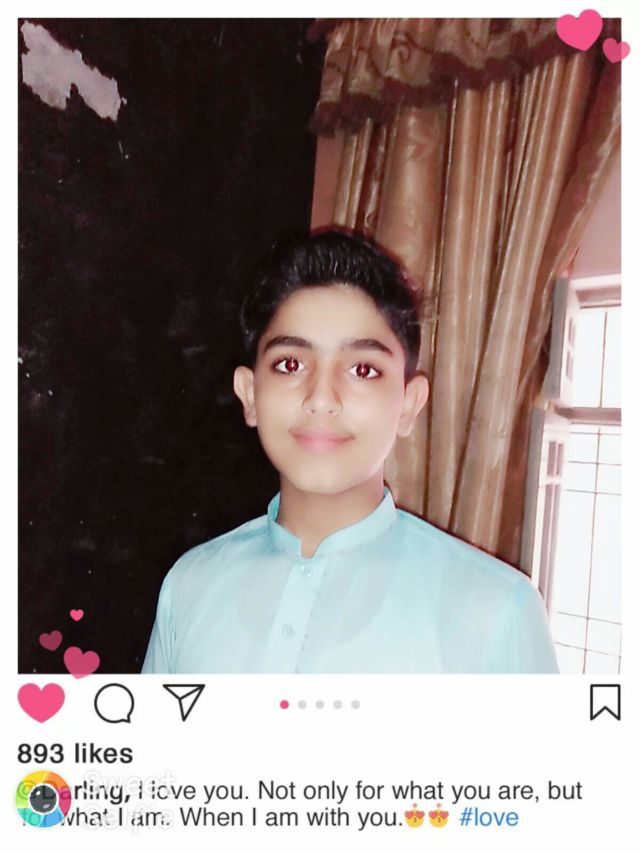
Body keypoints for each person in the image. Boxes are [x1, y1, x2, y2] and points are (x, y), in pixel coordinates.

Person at [142, 230, 558, 673]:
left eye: (363, 369)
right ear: (249, 395)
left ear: (408, 405)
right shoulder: (189, 587)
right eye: (290, 364)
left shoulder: (497, 610)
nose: (322, 398)